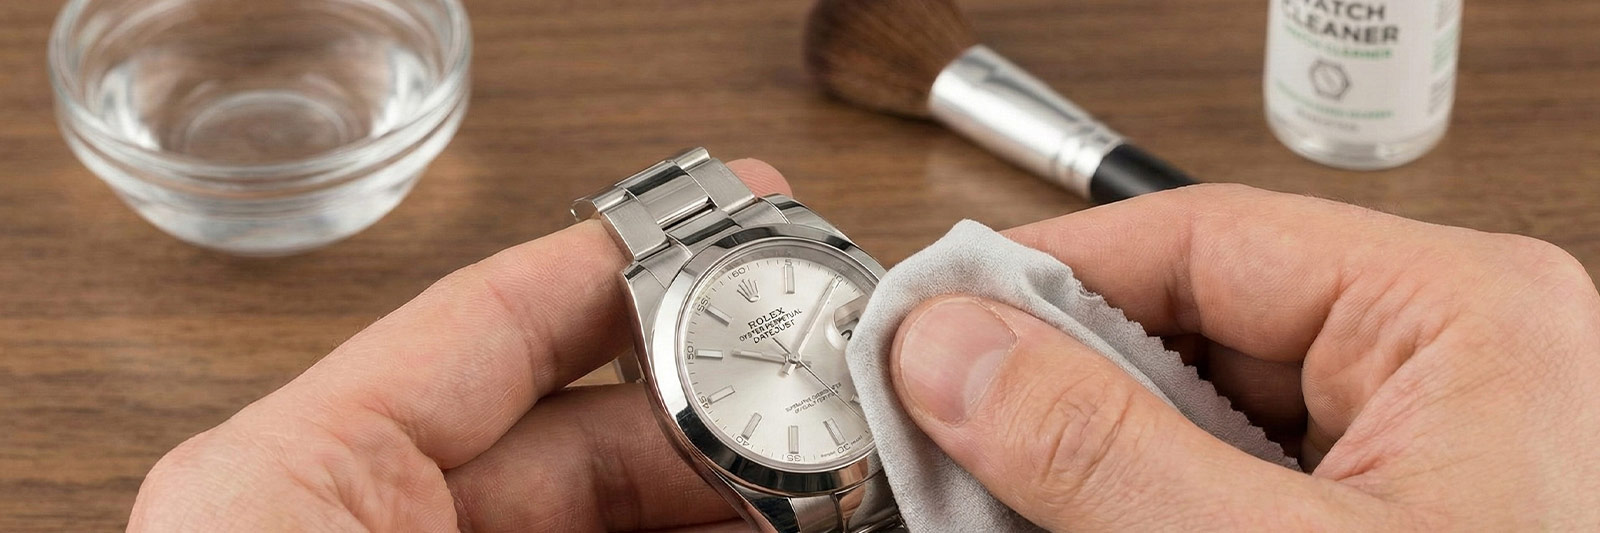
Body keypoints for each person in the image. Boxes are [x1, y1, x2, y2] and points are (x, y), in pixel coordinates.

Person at [127, 160, 1600, 531]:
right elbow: (739, 403)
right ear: (666, 385)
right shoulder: (707, 403)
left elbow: (797, 325)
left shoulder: (815, 288)